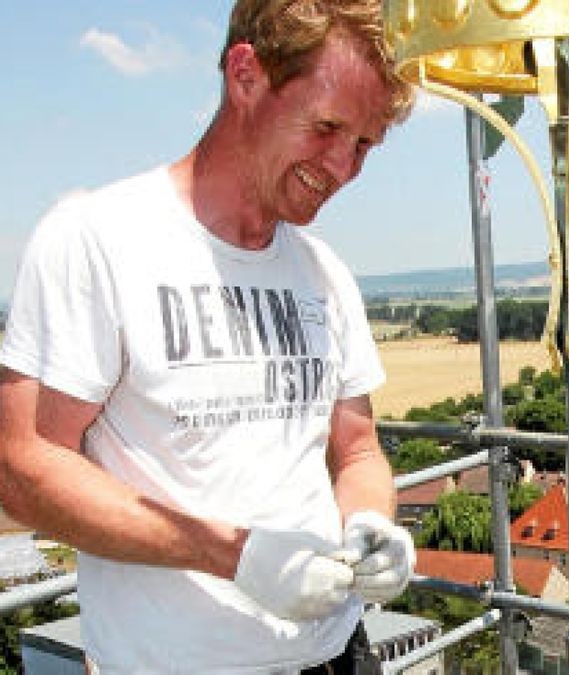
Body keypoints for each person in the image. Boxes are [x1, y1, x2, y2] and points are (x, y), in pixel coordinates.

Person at [0, 0, 417, 672]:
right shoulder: (98, 240)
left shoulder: (325, 274)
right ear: (246, 74)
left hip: (339, 654)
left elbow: (359, 448)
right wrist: (236, 554)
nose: (342, 167)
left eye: (364, 144)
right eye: (327, 127)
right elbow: (21, 468)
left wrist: (369, 523)